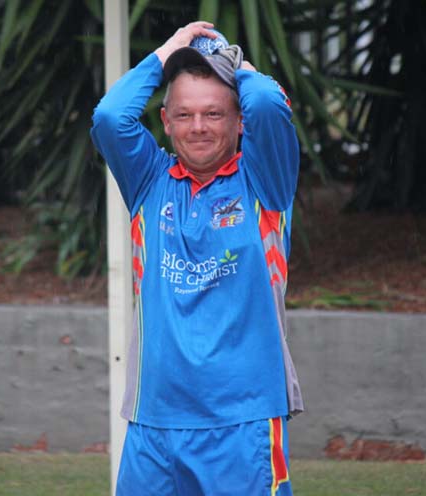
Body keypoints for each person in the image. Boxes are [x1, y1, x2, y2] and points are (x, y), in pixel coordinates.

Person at [91, 21, 303, 496]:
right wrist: (167, 52)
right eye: (184, 115)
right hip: (153, 420)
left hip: (243, 421)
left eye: (214, 113)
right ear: (165, 123)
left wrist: (234, 63)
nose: (199, 127)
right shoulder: (148, 180)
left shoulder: (264, 181)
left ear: (239, 121)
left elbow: (268, 104)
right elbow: (110, 117)